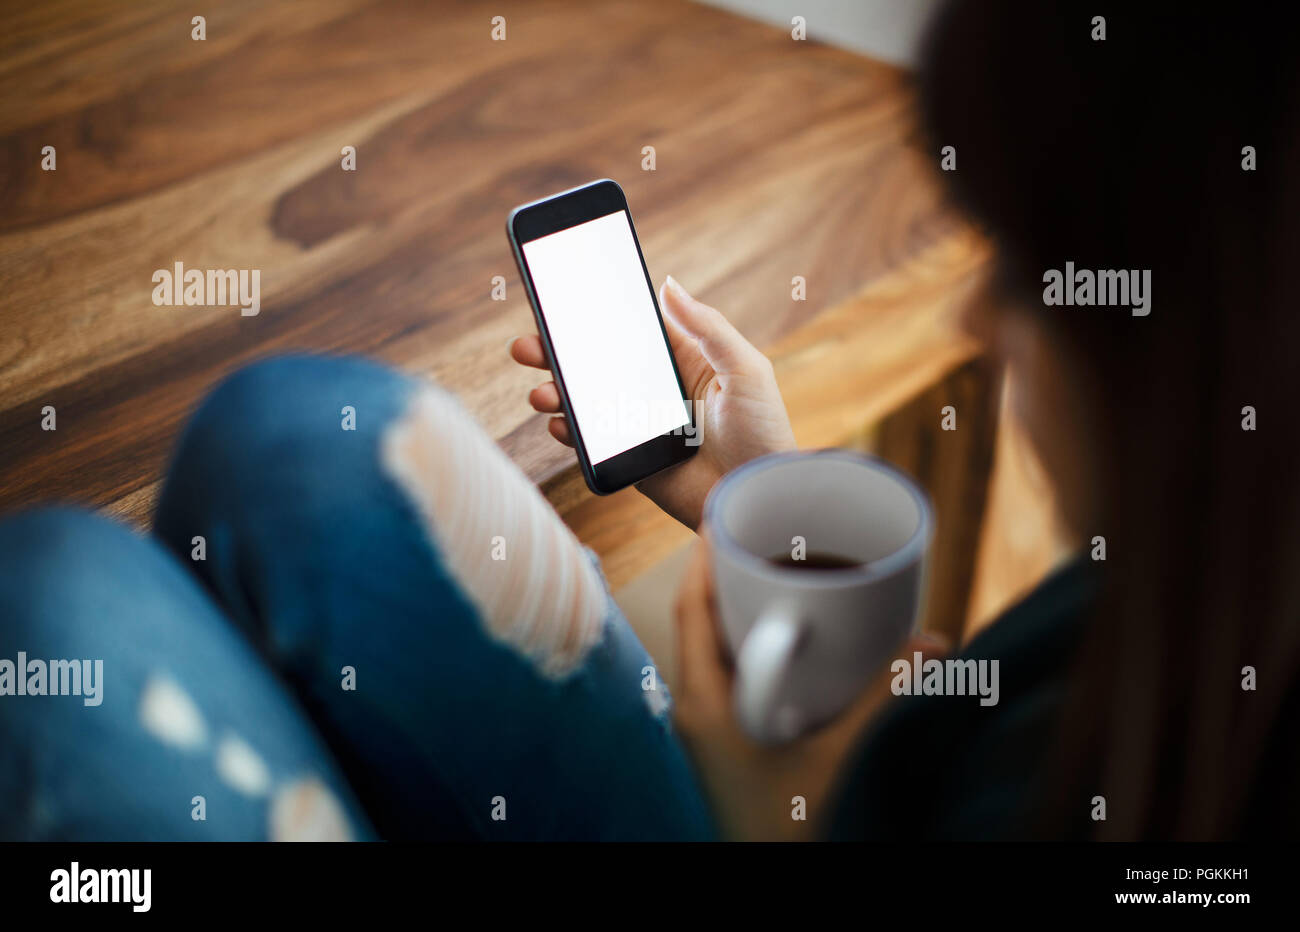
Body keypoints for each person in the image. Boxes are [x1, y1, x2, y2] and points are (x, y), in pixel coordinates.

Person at [2, 0, 1296, 841]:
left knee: (46, 592)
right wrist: (769, 498)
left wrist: (777, 805)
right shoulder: (1211, 598)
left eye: (1027, 269)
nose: (981, 324)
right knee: (292, 434)